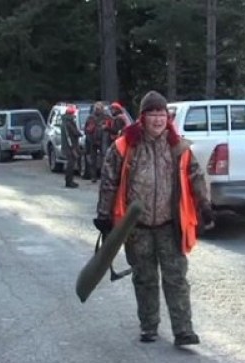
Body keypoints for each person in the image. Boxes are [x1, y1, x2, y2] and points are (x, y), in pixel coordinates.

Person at [94, 90, 214, 346]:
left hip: (170, 225)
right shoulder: (125, 146)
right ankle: (149, 326)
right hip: (137, 227)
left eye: (162, 114)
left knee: (176, 278)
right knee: (145, 278)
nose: (159, 119)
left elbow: (195, 177)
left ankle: (183, 331)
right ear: (143, 117)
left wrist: (204, 206)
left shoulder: (178, 147)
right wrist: (104, 216)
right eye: (153, 114)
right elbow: (109, 182)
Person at [84, 101, 110, 182]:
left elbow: (111, 127)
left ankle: (102, 176)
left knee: (103, 158)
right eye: (97, 108)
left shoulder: (106, 117)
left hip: (103, 140)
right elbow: (86, 129)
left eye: (99, 108)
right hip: (92, 140)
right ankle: (94, 176)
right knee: (93, 159)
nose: (98, 110)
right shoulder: (90, 118)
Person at [61, 104, 82, 188]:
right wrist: (73, 147)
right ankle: (69, 182)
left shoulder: (65, 122)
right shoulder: (68, 123)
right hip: (70, 147)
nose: (74, 115)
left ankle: (69, 181)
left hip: (68, 146)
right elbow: (72, 134)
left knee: (70, 163)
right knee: (71, 164)